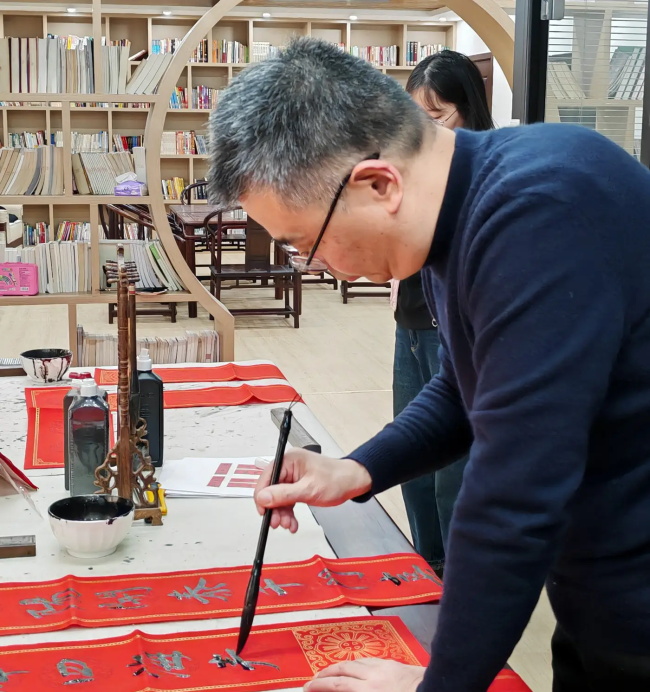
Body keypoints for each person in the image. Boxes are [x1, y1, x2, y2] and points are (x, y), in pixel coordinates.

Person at [208, 38, 650, 692]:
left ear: (379, 184)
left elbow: (511, 497)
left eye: (307, 244)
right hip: (597, 586)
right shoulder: (464, 209)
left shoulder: (538, 211)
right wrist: (358, 469)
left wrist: (434, 686)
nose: (319, 267)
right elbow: (468, 387)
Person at [394, 51, 494, 576]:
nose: (424, 130)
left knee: (453, 469)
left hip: (455, 332)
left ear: (469, 108)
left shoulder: (488, 175)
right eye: (416, 118)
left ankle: (457, 576)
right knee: (412, 458)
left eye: (436, 116)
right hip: (411, 321)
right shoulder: (413, 164)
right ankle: (425, 568)